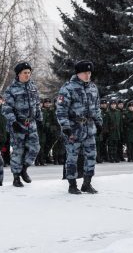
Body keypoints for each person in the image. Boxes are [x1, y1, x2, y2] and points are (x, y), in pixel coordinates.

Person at [56, 60, 103, 194]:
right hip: (74, 128)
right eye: (84, 73)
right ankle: (72, 185)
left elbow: (97, 107)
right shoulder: (68, 88)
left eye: (89, 73)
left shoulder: (93, 88)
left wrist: (99, 122)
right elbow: (61, 110)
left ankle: (87, 183)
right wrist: (65, 127)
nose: (88, 75)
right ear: (78, 73)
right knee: (72, 158)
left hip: (89, 128)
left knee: (91, 156)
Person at [2, 61, 42, 187]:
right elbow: (6, 108)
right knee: (18, 151)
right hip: (18, 124)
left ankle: (24, 168)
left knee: (35, 148)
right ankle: (16, 177)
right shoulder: (11, 89)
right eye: (25, 73)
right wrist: (13, 122)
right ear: (19, 74)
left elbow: (37, 104)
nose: (27, 75)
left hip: (31, 123)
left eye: (29, 73)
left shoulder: (33, 87)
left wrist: (39, 119)